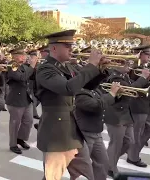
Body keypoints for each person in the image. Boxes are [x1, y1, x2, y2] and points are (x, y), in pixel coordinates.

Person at [35, 29, 108, 180]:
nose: (72, 49)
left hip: (73, 132)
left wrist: (99, 69)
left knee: (87, 174)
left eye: (72, 45)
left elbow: (86, 85)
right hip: (55, 133)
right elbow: (68, 88)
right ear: (54, 48)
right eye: (67, 46)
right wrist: (91, 65)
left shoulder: (66, 66)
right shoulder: (45, 69)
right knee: (52, 177)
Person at [104, 60, 150, 177]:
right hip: (115, 115)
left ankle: (108, 162)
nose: (129, 67)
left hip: (125, 114)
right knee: (116, 143)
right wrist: (143, 78)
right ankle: (111, 168)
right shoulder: (115, 78)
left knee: (129, 142)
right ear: (118, 65)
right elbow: (130, 89)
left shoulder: (124, 76)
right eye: (126, 64)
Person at [127, 44, 150, 167]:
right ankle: (133, 157)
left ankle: (133, 151)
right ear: (139, 54)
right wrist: (145, 77)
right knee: (136, 133)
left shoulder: (145, 66)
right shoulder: (132, 68)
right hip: (137, 104)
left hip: (148, 103)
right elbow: (132, 88)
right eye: (147, 54)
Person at [6, 47, 37, 154]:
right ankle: (13, 144)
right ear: (15, 56)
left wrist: (36, 67)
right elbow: (22, 77)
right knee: (15, 123)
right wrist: (32, 66)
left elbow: (31, 76)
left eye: (24, 55)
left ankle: (20, 138)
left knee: (28, 121)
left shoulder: (23, 66)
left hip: (26, 98)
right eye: (22, 55)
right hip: (16, 99)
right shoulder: (12, 65)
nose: (25, 57)